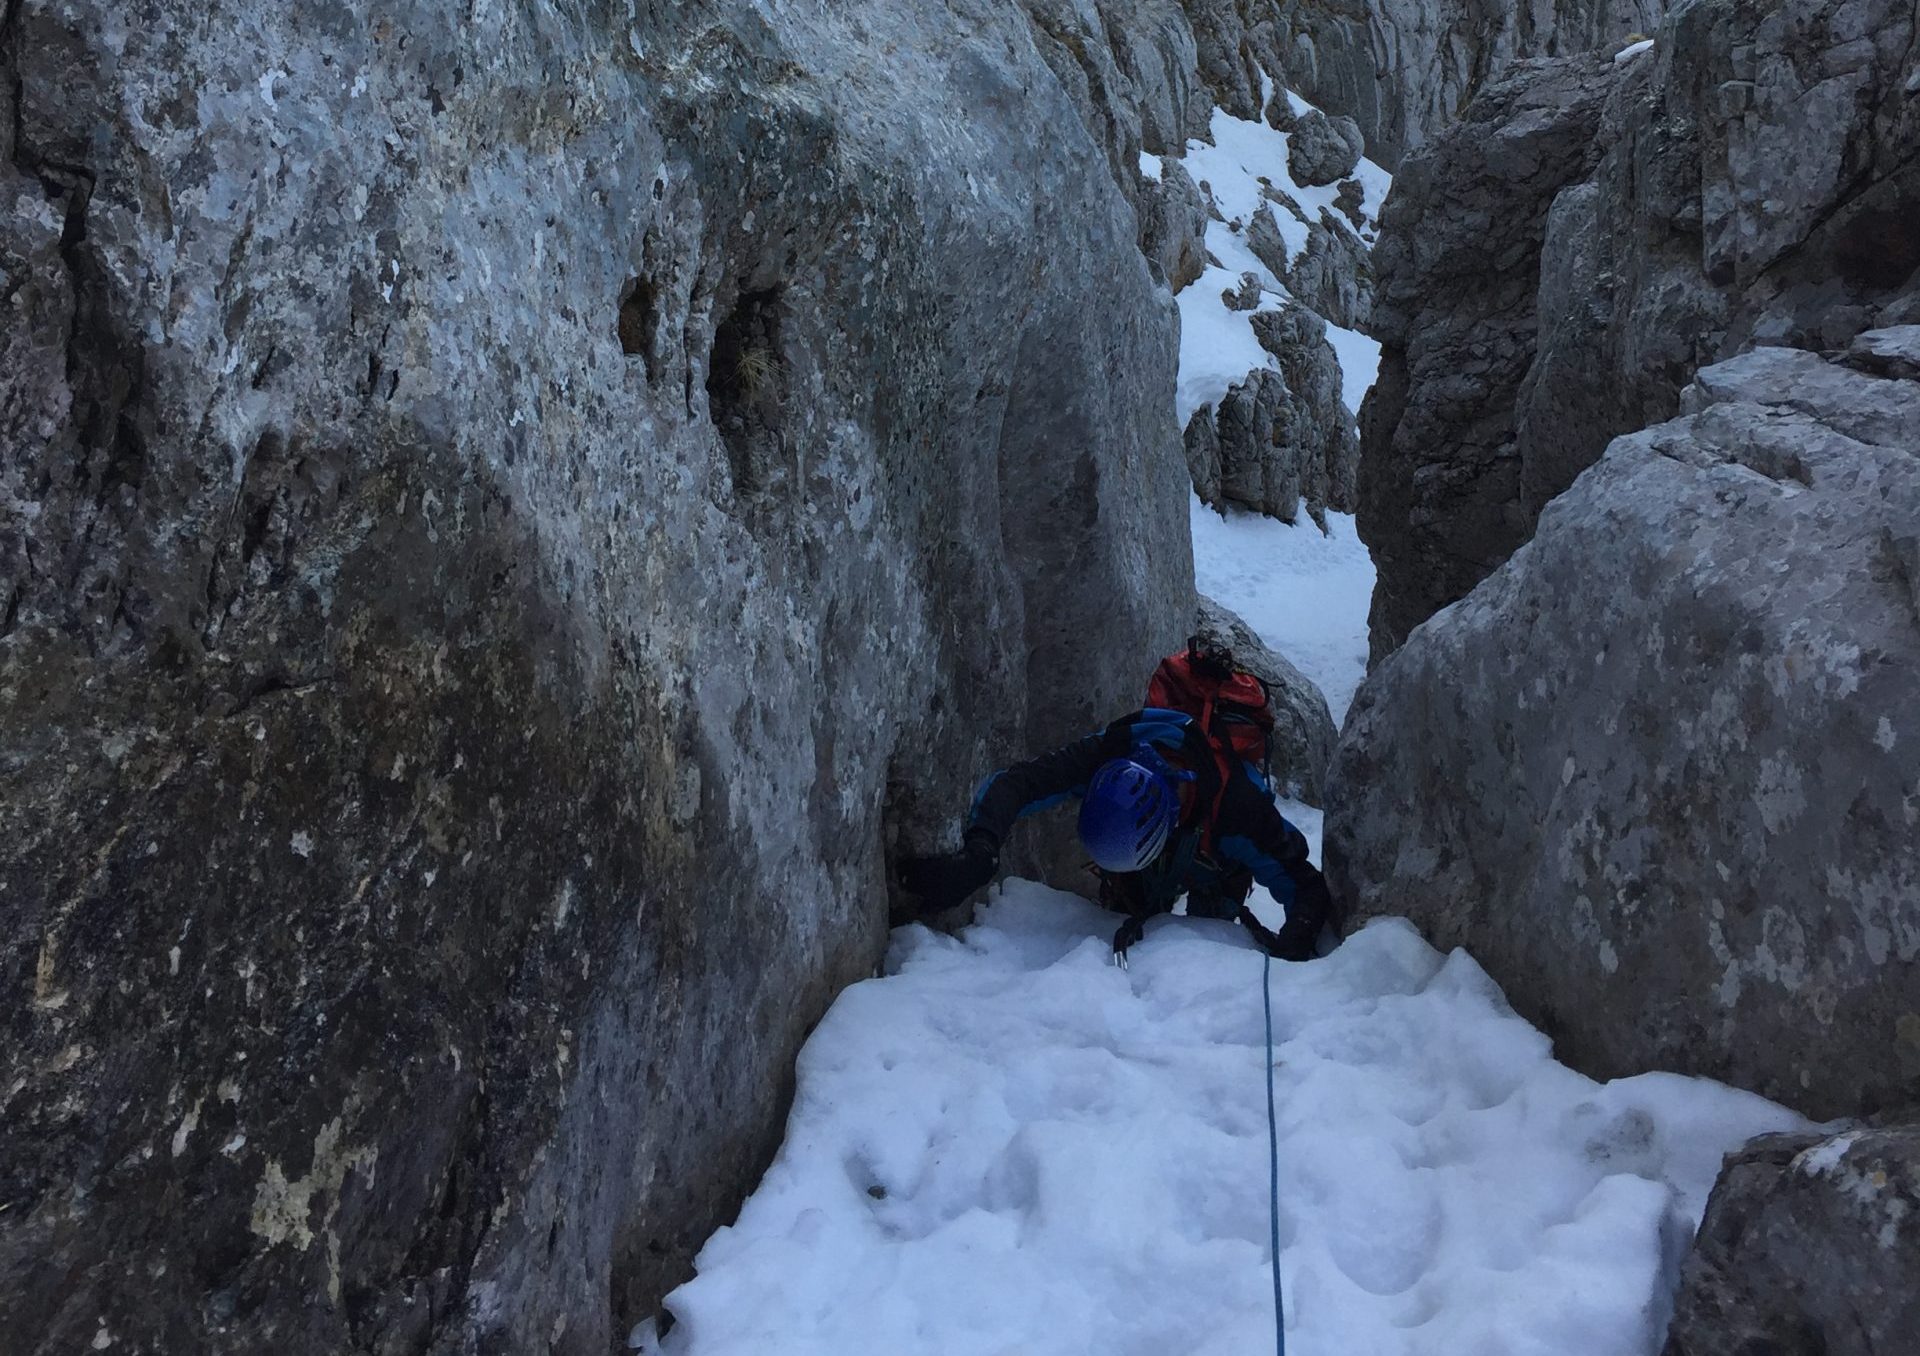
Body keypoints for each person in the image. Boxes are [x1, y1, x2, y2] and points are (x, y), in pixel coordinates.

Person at [898, 705, 1332, 964]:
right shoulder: (1108, 754)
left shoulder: (1237, 809)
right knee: (1134, 908)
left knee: (1206, 931)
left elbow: (1303, 885)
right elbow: (1019, 784)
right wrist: (982, 851)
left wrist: (1293, 946)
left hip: (1215, 863)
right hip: (1165, 839)